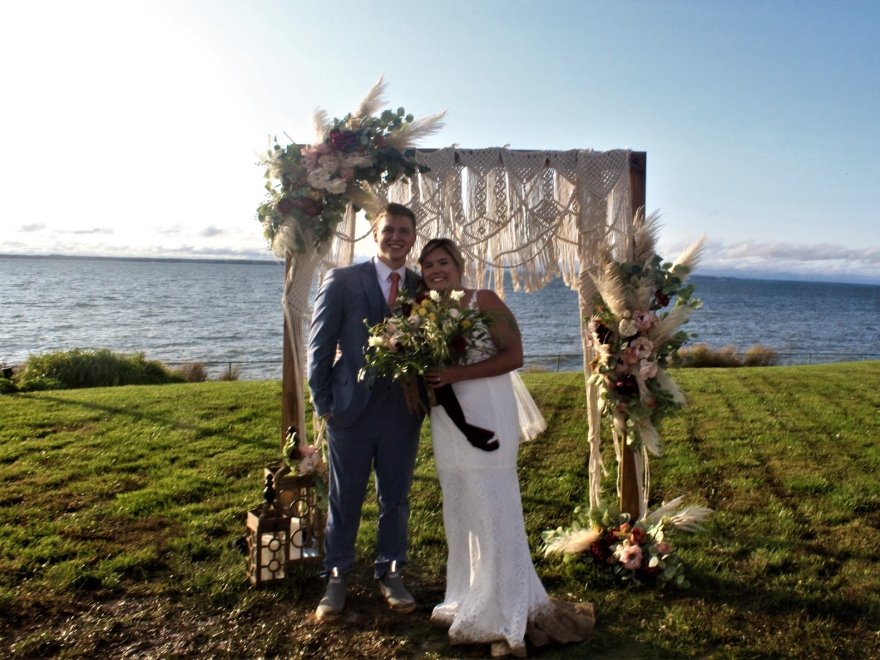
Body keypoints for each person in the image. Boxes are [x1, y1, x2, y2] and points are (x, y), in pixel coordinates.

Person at [419, 238, 594, 658]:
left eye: (443, 262)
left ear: (460, 266)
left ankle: (506, 616)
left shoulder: (486, 300)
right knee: (460, 506)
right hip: (448, 417)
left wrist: (458, 371)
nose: (435, 270)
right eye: (427, 266)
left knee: (492, 503)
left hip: (489, 412)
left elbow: (514, 355)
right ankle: (466, 596)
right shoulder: (425, 314)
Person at [307, 203, 425, 621]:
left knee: (396, 497)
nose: (396, 237)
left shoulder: (421, 287)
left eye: (404, 231)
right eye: (388, 229)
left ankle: (391, 572)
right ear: (374, 235)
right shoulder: (342, 280)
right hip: (350, 411)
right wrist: (325, 404)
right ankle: (336, 578)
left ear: (413, 237)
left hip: (402, 413)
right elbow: (319, 347)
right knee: (345, 498)